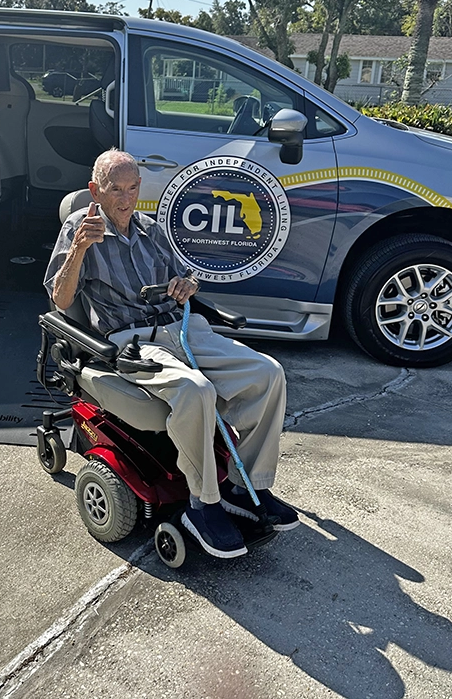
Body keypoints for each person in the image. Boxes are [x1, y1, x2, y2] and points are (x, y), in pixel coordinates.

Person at [44, 148, 299, 559]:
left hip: (181, 328)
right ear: (95, 190)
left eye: (133, 188)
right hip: (130, 339)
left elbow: (184, 278)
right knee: (194, 389)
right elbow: (60, 299)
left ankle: (244, 484)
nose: (126, 199)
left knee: (267, 373)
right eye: (115, 190)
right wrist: (79, 250)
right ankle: (203, 506)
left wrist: (187, 286)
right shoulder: (80, 229)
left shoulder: (151, 228)